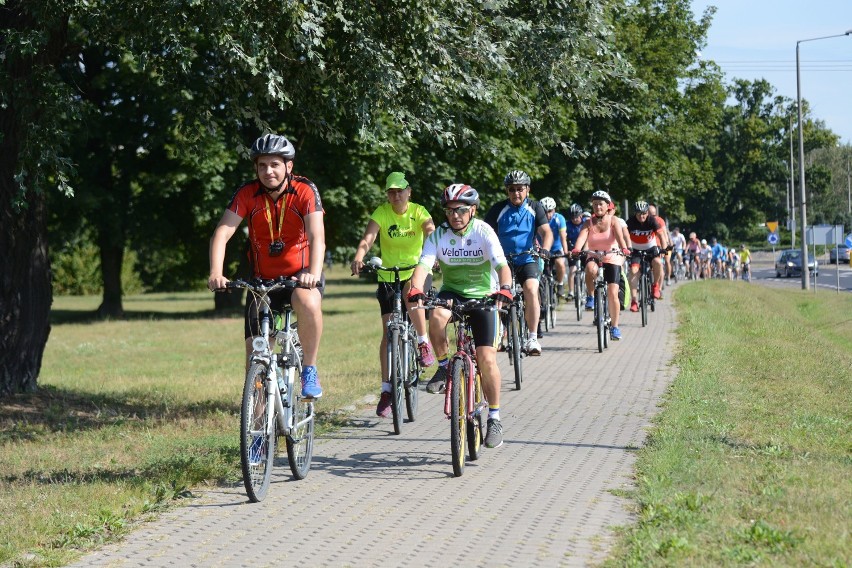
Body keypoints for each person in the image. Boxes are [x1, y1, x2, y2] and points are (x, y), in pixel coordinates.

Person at [208, 133, 325, 398]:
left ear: (288, 166)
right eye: (262, 165)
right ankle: (258, 433)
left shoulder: (305, 190)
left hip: (300, 277)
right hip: (262, 283)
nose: (268, 171)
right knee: (256, 357)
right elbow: (222, 233)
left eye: (274, 164)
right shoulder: (247, 193)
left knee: (307, 301)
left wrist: (313, 274)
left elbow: (317, 235)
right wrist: (216, 272)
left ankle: (309, 368)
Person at [407, 184, 512, 449]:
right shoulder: (439, 235)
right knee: (436, 318)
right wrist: (416, 288)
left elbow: (502, 266)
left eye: (461, 210)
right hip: (452, 293)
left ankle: (495, 418)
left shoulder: (483, 231)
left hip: (484, 296)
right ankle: (444, 366)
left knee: (487, 359)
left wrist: (505, 288)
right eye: (450, 210)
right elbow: (422, 265)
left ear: (472, 210)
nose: (455, 215)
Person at [350, 172, 436, 418]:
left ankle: (422, 342)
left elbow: (430, 231)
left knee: (411, 292)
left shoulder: (419, 211)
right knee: (388, 332)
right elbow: (369, 238)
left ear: (409, 191)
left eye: (400, 190)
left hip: (417, 271)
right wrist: (359, 256)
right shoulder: (382, 212)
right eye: (391, 191)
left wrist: (435, 255)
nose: (396, 195)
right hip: (388, 275)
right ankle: (387, 389)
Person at [484, 170, 553, 355]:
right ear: (507, 191)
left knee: (531, 289)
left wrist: (545, 249)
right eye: (512, 189)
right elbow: (484, 233)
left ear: (527, 190)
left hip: (526, 258)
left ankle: (532, 337)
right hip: (502, 261)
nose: (516, 193)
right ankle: (500, 332)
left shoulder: (535, 207)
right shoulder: (498, 209)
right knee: (498, 296)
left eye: (520, 189)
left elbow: (546, 232)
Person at [570, 190, 631, 340]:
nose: (597, 207)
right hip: (594, 254)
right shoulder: (588, 222)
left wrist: (624, 248)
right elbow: (582, 237)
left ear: (607, 205)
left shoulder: (613, 220)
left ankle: (615, 327)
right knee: (590, 268)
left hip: (612, 255)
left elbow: (619, 236)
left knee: (612, 292)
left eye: (601, 204)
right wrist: (576, 249)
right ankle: (591, 296)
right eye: (595, 204)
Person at [626, 201, 668, 312]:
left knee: (658, 263)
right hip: (635, 250)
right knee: (634, 271)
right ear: (635, 213)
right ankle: (634, 301)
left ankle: (655, 286)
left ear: (647, 213)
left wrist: (663, 248)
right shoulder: (630, 222)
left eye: (644, 213)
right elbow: (624, 236)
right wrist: (625, 248)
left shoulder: (651, 220)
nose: (642, 216)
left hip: (651, 248)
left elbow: (661, 235)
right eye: (639, 213)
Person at [539, 197, 569, 299]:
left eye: (550, 211)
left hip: (556, 248)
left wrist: (565, 252)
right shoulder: (537, 219)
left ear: (554, 210)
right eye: (545, 212)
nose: (548, 215)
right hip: (542, 248)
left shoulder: (559, 219)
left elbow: (563, 237)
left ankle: (560, 284)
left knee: (560, 263)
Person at [564, 203, 585, 300]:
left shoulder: (585, 223)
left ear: (581, 215)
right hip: (572, 250)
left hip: (585, 249)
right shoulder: (567, 225)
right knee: (572, 270)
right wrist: (567, 250)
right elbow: (564, 238)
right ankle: (571, 292)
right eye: (572, 217)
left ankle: (589, 292)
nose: (575, 219)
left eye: (576, 217)